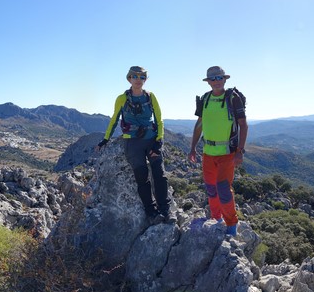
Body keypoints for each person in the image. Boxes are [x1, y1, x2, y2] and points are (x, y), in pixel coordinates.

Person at [96, 66, 173, 224]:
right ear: (129, 78)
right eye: (135, 76)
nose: (138, 79)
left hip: (151, 140)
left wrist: (159, 141)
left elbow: (159, 119)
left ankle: (165, 209)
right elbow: (114, 119)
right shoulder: (122, 98)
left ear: (145, 79)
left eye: (142, 76)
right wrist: (105, 139)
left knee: (159, 174)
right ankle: (151, 212)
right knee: (141, 177)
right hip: (132, 142)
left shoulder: (151, 97)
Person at [188, 66, 248, 235]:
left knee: (223, 188)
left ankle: (231, 224)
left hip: (227, 153)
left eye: (219, 78)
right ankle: (216, 218)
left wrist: (240, 151)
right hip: (208, 153)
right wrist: (192, 147)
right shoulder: (205, 99)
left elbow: (243, 125)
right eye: (212, 79)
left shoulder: (233, 98)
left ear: (224, 79)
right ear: (208, 82)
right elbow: (199, 124)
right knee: (211, 188)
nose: (216, 82)